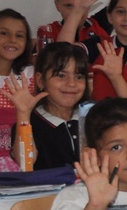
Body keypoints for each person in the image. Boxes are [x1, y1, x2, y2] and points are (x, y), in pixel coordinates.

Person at [6, 42, 89, 171]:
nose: (72, 83)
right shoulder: (30, 123)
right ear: (40, 80)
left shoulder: (93, 117)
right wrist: (23, 113)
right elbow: (25, 163)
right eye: (61, 76)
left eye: (79, 77)